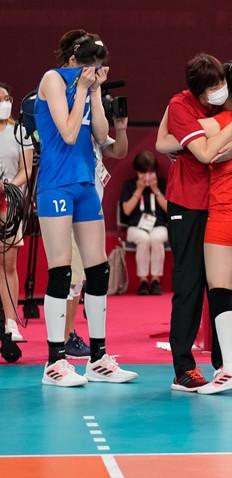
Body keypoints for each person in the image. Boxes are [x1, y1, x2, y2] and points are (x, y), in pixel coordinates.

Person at [157, 60, 232, 395]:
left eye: (222, 83)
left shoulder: (218, 119)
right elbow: (171, 144)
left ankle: (229, 368)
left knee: (220, 290)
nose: (218, 90)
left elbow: (196, 150)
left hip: (225, 214)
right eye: (213, 85)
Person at [33, 29, 137, 386]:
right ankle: (54, 362)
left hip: (85, 186)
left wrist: (94, 92)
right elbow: (66, 131)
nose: (93, 70)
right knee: (61, 271)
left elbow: (101, 135)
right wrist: (80, 89)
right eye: (89, 64)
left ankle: (98, 358)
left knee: (98, 269)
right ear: (74, 59)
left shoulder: (88, 87)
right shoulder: (52, 79)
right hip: (56, 184)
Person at [66, 115, 129, 357]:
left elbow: (120, 151)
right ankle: (65, 338)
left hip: (92, 213)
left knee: (84, 276)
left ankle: (68, 335)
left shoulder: (96, 133)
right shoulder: (74, 129)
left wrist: (121, 128)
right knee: (73, 277)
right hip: (73, 210)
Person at [0, 82, 33, 344]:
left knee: (8, 264)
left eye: (7, 98)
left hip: (8, 205)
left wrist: (9, 186)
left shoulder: (19, 132)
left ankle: (11, 321)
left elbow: (26, 170)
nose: (4, 103)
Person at [120, 150, 168, 295]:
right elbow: (126, 210)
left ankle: (155, 280)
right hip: (136, 227)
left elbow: (168, 209)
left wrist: (156, 190)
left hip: (159, 226)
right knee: (144, 239)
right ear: (137, 172)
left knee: (156, 238)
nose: (147, 176)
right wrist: (139, 190)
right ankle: (143, 281)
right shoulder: (129, 185)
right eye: (143, 173)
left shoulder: (162, 184)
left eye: (150, 172)